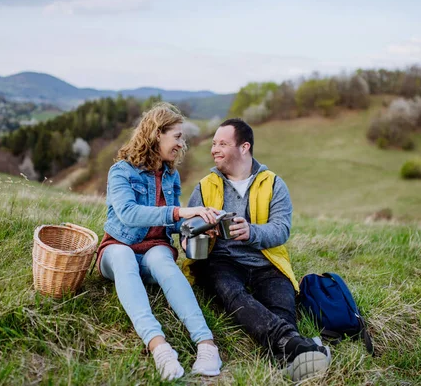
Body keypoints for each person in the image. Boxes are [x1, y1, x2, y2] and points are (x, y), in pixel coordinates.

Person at [183, 118, 331, 381]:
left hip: (266, 261)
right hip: (222, 261)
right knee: (232, 294)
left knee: (282, 305)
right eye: (214, 143)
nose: (214, 149)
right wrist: (199, 232)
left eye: (222, 144)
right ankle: (296, 345)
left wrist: (252, 232)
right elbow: (188, 228)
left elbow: (281, 229)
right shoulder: (205, 186)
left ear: (244, 147)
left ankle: (290, 351)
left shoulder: (274, 184)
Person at [96, 102, 222, 381]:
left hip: (154, 249)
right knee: (123, 256)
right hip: (118, 247)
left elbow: (172, 220)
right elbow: (128, 214)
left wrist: (196, 225)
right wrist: (179, 211)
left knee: (163, 261)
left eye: (182, 138)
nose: (181, 144)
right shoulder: (121, 171)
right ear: (156, 134)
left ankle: (206, 344)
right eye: (177, 136)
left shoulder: (171, 175)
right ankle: (158, 346)